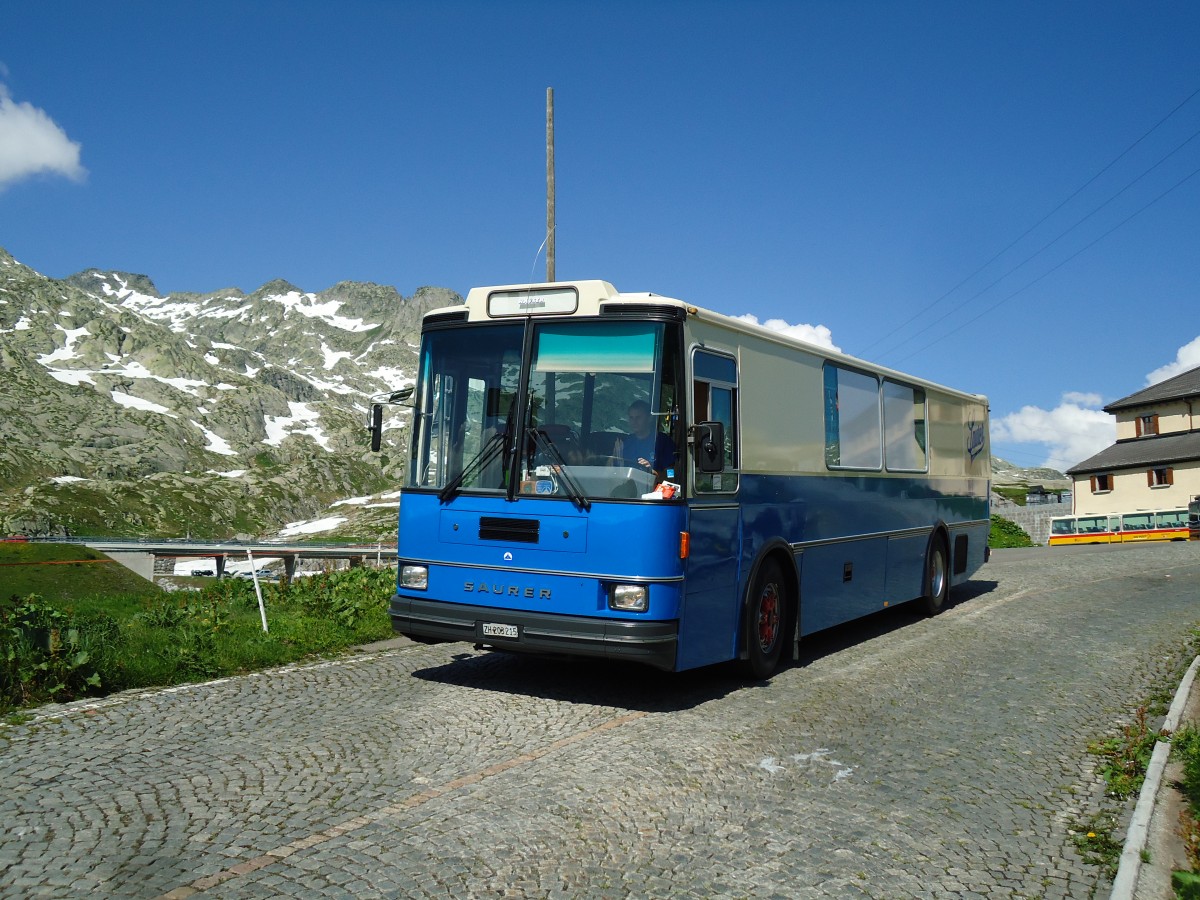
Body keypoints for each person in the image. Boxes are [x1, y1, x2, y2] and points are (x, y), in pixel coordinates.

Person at [613, 400, 675, 479]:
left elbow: (672, 474)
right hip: (626, 487)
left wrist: (652, 472)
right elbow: (611, 472)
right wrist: (614, 456)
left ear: (649, 418)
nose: (634, 422)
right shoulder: (625, 442)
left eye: (638, 417)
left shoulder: (663, 441)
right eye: (631, 418)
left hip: (653, 489)